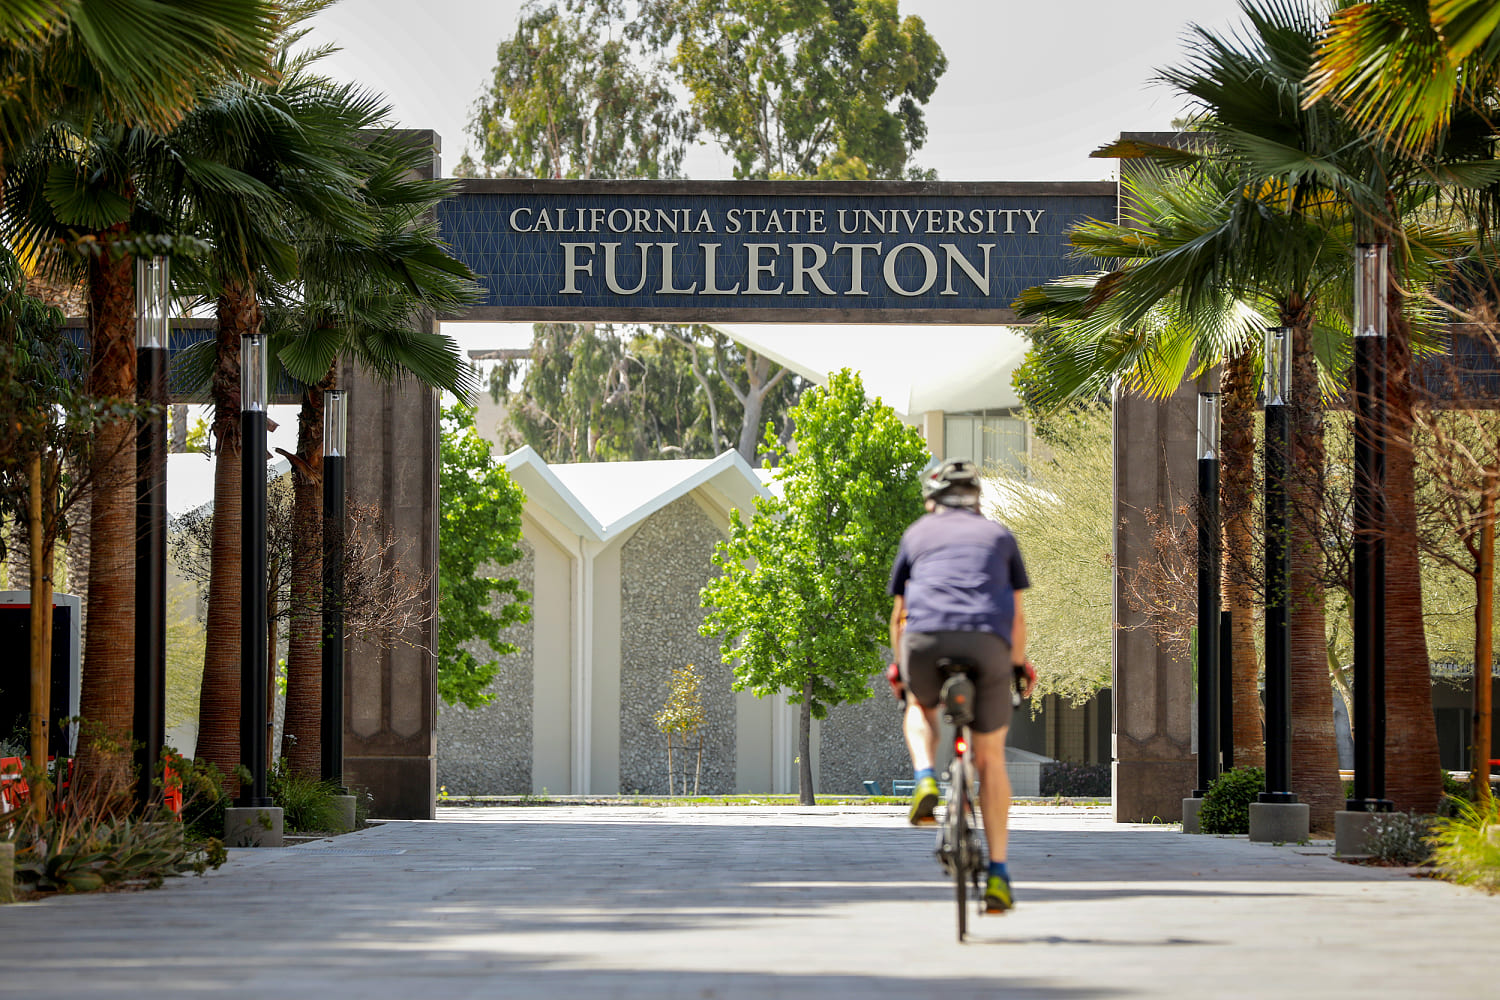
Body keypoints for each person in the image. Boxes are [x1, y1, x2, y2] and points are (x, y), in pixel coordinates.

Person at [887, 457, 1035, 914]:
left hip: (926, 640)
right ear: (976, 500)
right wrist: (1018, 665)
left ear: (933, 500)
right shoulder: (999, 536)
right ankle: (999, 876)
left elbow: (899, 615)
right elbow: (1016, 616)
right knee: (989, 758)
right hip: (988, 642)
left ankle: (925, 778)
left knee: (919, 704)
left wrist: (901, 668)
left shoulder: (914, 535)